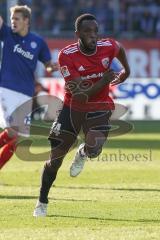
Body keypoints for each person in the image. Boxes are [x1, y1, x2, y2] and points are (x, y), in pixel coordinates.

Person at [33, 13, 130, 217]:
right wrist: (103, 81)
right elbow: (79, 95)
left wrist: (126, 71)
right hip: (73, 107)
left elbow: (119, 48)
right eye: (87, 32)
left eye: (95, 31)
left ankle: (83, 152)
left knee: (95, 148)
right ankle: (42, 202)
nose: (93, 35)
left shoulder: (108, 46)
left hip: (100, 106)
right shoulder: (66, 56)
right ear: (77, 34)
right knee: (55, 160)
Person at [0, 5, 58, 169]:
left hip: (25, 94)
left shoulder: (38, 42)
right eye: (12, 19)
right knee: (12, 132)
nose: (13, 22)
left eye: (16, 19)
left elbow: (47, 64)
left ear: (26, 21)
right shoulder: (7, 34)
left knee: (16, 139)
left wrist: (51, 67)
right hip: (6, 89)